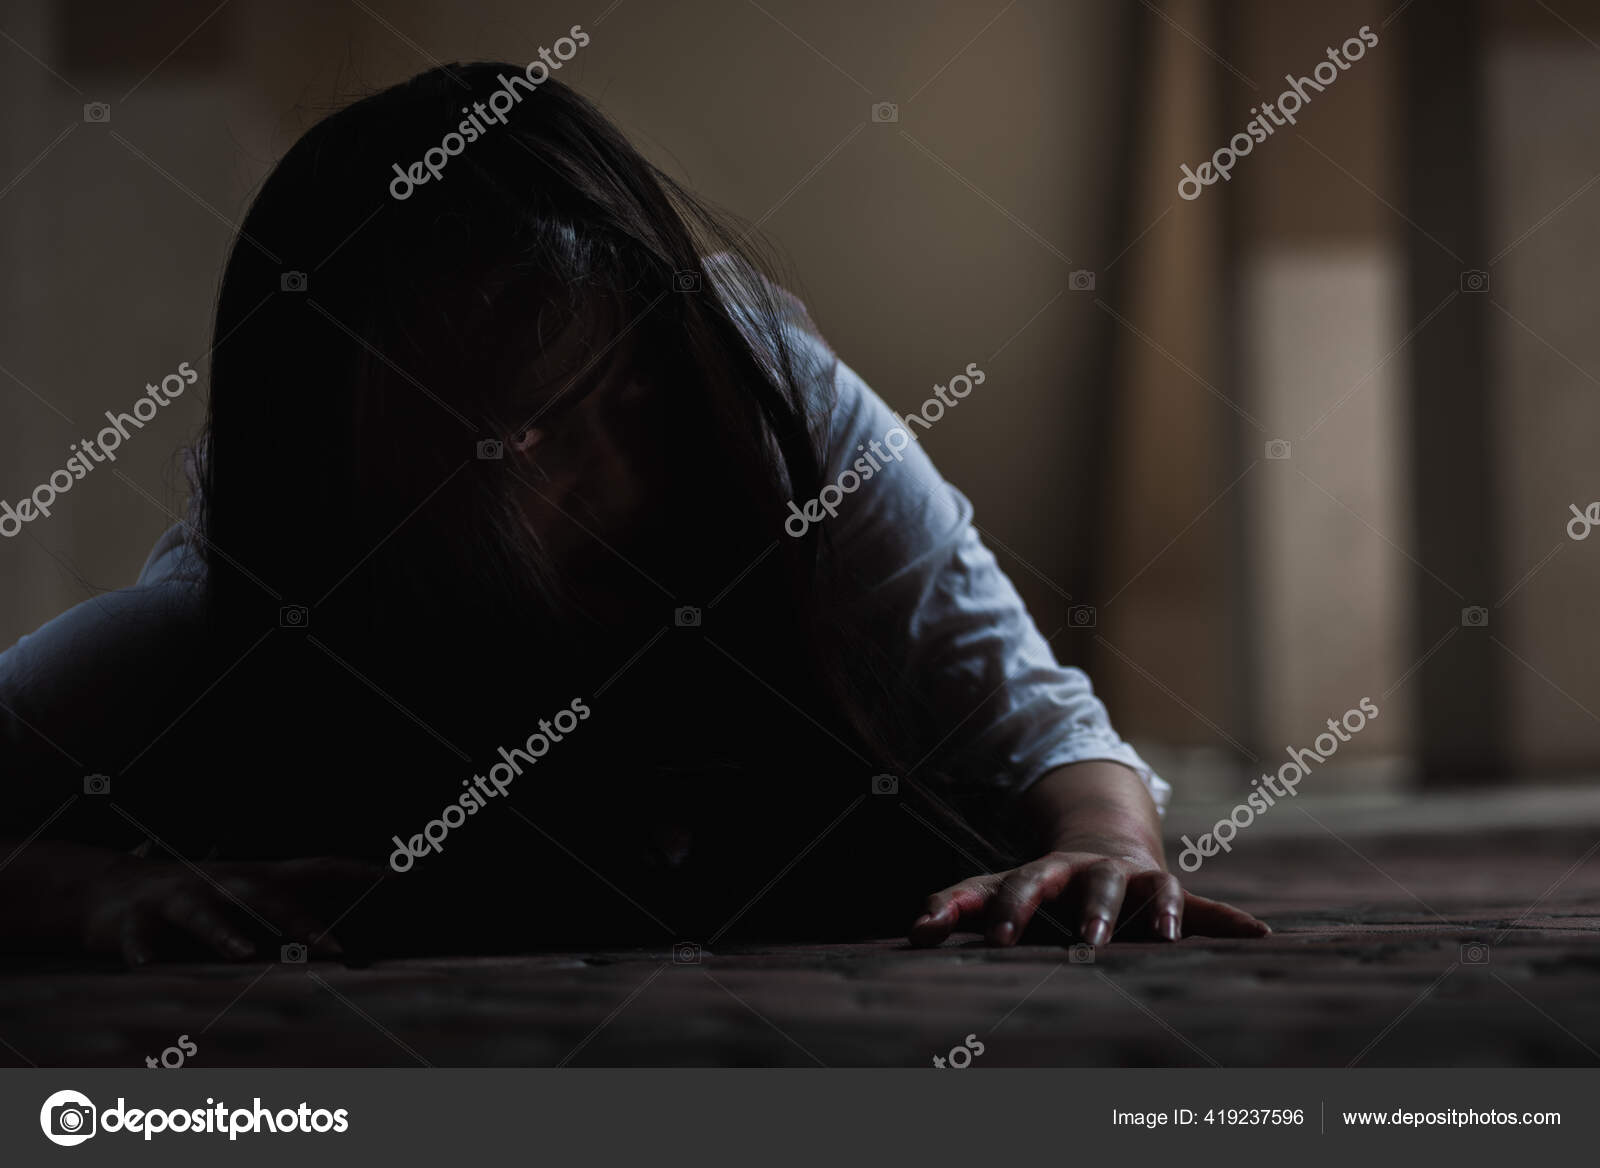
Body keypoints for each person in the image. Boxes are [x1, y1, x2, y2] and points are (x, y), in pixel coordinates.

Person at [0, 66, 1266, 964]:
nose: (562, 466)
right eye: (466, 436)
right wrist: (92, 898)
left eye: (591, 392)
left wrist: (1104, 843)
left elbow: (1037, 716)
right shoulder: (230, 596)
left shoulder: (780, 417)